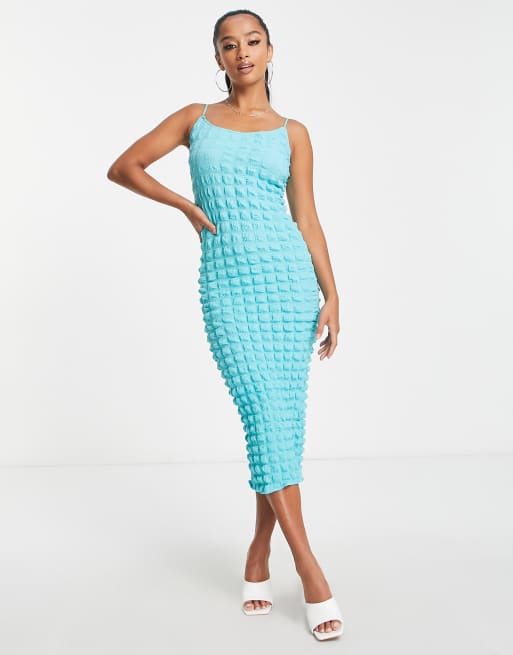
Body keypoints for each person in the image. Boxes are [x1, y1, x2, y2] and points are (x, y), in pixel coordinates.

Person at [107, 9, 343, 641]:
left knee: (278, 425)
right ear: (218, 58)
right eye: (229, 45)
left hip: (289, 288)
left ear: (270, 50)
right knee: (264, 414)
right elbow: (124, 167)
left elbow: (307, 218)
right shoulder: (197, 120)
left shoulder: (292, 132)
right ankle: (310, 569)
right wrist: (185, 206)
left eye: (253, 42)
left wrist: (331, 293)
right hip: (229, 289)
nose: (243, 53)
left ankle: (259, 554)